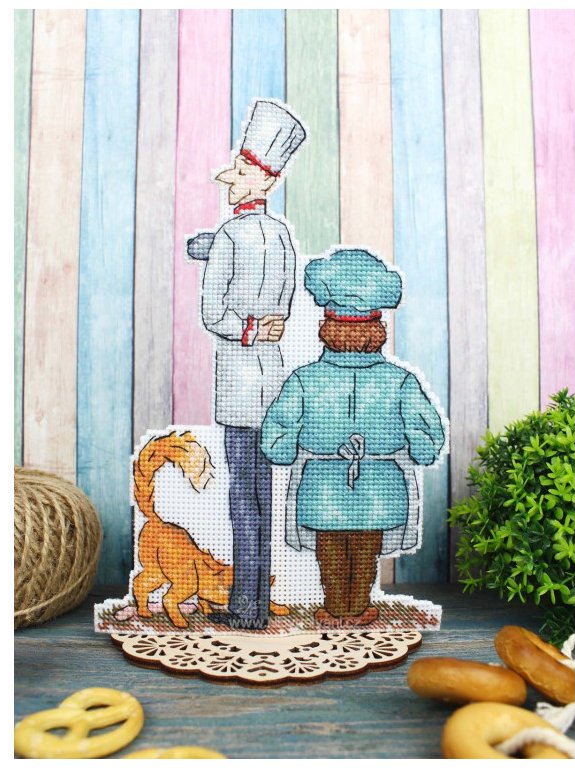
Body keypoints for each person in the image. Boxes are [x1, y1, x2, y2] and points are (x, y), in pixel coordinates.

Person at [260, 249, 446, 628]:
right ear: (377, 331)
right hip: (380, 486)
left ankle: (335, 607)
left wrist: (286, 447)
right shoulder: (401, 381)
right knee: (365, 548)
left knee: (329, 547)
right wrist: (419, 446)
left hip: (322, 486)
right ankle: (358, 607)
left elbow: (277, 434)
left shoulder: (304, 379)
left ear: (327, 329)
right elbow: (428, 435)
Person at [186, 100, 306, 629]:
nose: (229, 179)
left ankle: (247, 607)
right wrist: (265, 325)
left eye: (239, 170)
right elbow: (284, 301)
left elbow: (213, 313)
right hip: (271, 378)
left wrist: (247, 327)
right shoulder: (280, 235)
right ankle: (255, 602)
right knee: (264, 495)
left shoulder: (232, 237)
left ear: (263, 179)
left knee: (243, 499)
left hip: (238, 383)